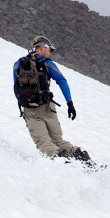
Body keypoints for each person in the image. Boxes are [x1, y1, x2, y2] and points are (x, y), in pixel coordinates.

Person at [13, 35, 91, 163]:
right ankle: (82, 159)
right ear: (42, 47)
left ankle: (64, 165)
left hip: (30, 111)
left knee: (44, 144)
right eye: (50, 49)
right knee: (58, 141)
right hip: (48, 108)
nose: (50, 52)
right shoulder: (48, 64)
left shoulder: (18, 64)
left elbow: (16, 86)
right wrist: (70, 104)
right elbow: (62, 81)